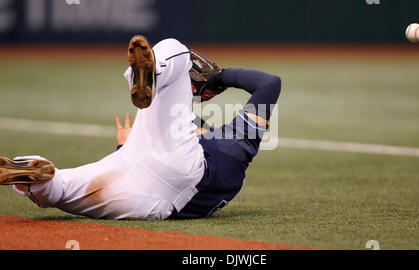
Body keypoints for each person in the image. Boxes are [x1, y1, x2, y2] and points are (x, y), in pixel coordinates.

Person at [0, 36, 281, 220]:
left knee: (177, 50)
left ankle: (153, 70)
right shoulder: (237, 151)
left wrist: (220, 77)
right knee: (62, 188)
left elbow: (270, 83)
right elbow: (268, 86)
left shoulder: (233, 145)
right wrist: (127, 146)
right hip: (153, 201)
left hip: (163, 165)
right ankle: (38, 181)